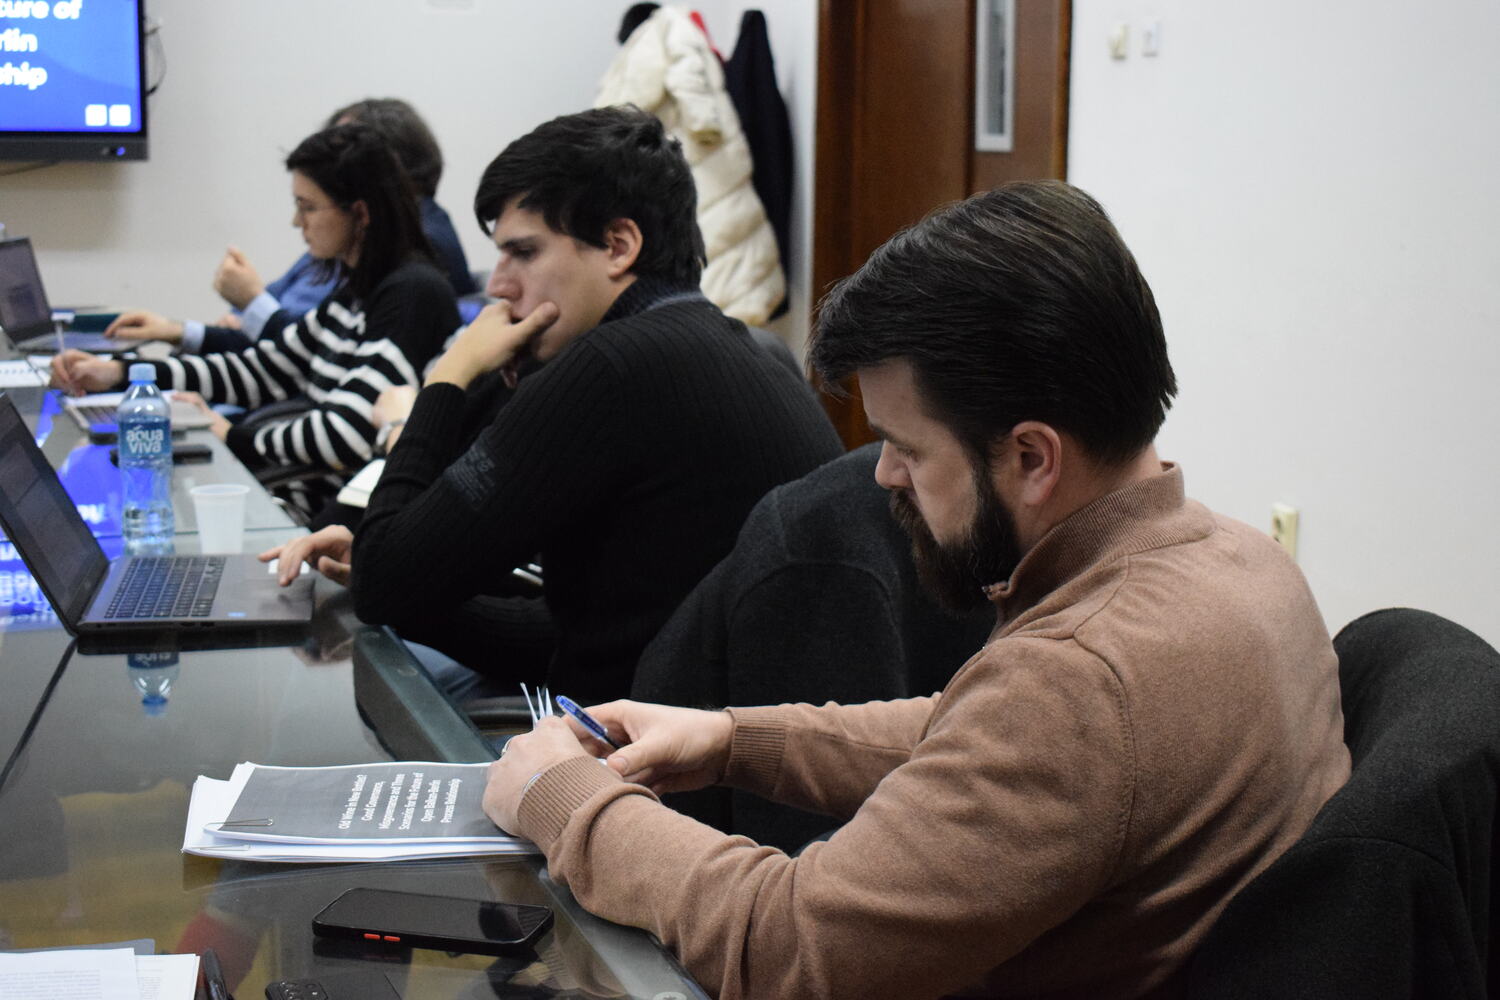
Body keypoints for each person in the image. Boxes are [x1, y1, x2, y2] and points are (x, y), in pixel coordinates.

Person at [479, 181, 1352, 999]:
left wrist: (566, 799)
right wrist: (733, 739)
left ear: (1032, 457)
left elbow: (789, 944)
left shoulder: (1078, 682)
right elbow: (975, 734)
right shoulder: (1245, 564)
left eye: (908, 447)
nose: (884, 475)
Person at [265, 106, 841, 703]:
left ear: (618, 246)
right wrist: (392, 579)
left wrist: (449, 378)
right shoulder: (736, 346)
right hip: (709, 730)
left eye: (524, 252)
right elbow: (582, 636)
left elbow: (388, 584)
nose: (498, 285)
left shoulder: (611, 366)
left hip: (639, 753)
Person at [52, 123, 459, 517]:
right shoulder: (357, 289)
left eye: (308, 207)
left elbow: (346, 432)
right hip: (296, 492)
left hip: (327, 515)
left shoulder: (412, 294)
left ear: (360, 213)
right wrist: (121, 374)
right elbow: (263, 369)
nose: (297, 222)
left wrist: (232, 436)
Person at [105, 97, 475, 352]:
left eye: (341, 151)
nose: (297, 221)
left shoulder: (413, 254)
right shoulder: (343, 245)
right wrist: (182, 330)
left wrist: (252, 304)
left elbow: (313, 355)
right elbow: (295, 342)